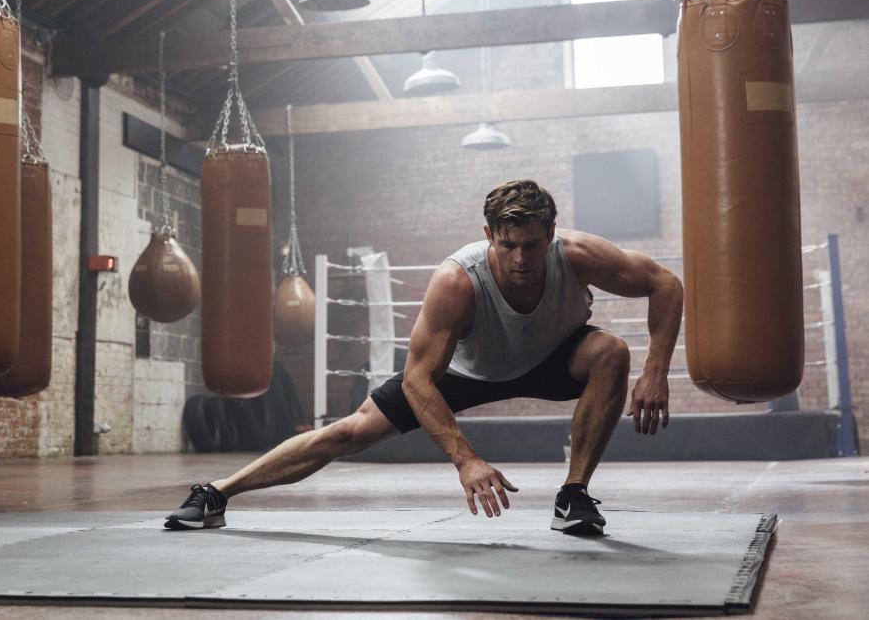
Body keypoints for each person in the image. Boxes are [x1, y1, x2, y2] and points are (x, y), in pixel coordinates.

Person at [166, 180, 683, 535]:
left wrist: (656, 370)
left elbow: (665, 284)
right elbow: (417, 379)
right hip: (464, 370)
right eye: (508, 246)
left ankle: (573, 495)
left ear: (550, 233)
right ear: (489, 237)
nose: (521, 259)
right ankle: (217, 495)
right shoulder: (458, 280)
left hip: (554, 357)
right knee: (347, 433)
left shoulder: (580, 255)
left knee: (612, 351)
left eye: (531, 245)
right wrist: (466, 459)